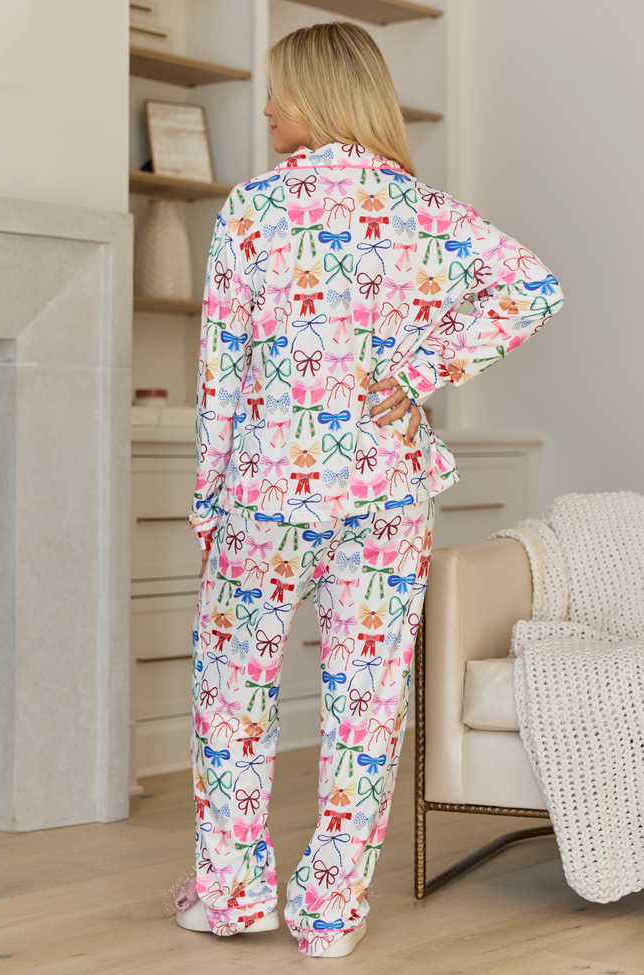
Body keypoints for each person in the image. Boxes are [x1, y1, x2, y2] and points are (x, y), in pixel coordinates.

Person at [175, 21, 564, 958]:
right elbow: (533, 287)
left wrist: (207, 496)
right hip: (387, 492)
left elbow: (221, 372)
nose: (267, 107)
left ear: (316, 95)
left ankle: (231, 896)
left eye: (278, 89)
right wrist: (421, 371)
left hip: (268, 489)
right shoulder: (423, 211)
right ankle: (331, 914)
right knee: (367, 704)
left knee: (233, 693)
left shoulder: (253, 208)